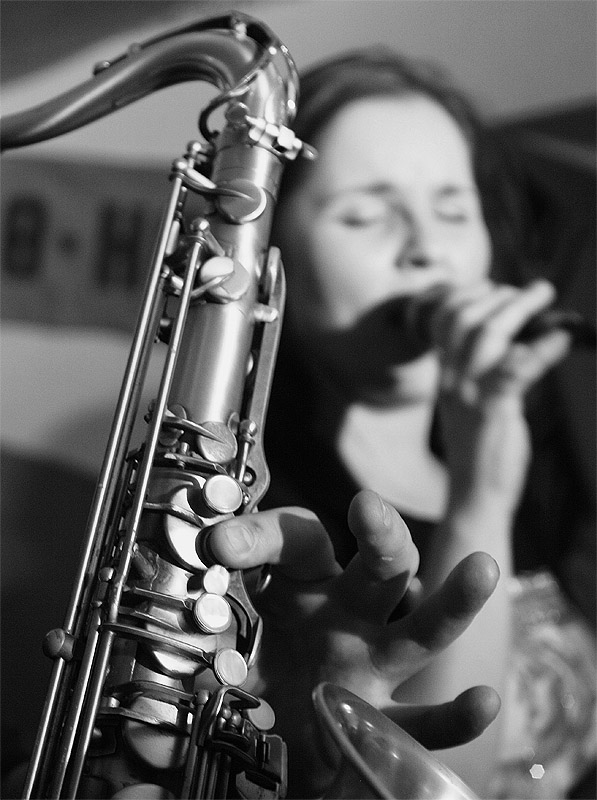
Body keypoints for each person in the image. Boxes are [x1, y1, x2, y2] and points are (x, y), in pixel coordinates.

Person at [257, 49, 596, 798]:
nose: (427, 249)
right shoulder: (267, 511)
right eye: (364, 215)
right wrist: (481, 495)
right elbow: (432, 780)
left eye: (452, 209)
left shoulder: (546, 440)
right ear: (271, 256)